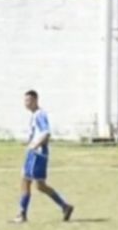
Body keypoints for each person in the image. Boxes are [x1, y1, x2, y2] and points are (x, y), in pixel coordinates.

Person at [14, 90, 74, 223]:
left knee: (25, 180)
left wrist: (35, 145)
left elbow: (46, 133)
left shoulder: (40, 115)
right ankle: (65, 206)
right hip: (36, 153)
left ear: (35, 100)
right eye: (25, 100)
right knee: (40, 185)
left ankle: (22, 214)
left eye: (28, 100)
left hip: (37, 154)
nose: (26, 103)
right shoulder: (35, 115)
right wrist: (29, 142)